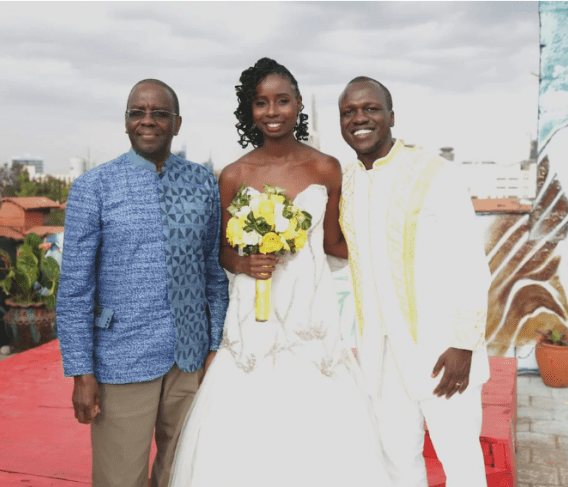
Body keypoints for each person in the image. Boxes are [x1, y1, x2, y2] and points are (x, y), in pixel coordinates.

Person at [169, 58, 391, 487]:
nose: (272, 112)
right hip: (254, 326)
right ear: (249, 110)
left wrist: (392, 253)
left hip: (312, 322)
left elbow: (332, 244)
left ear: (298, 104)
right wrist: (244, 262)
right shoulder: (233, 175)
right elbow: (221, 253)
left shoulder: (326, 168)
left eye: (282, 101)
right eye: (261, 103)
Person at [56, 79, 229, 487]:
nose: (147, 121)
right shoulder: (93, 188)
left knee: (183, 473)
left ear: (177, 123)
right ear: (127, 122)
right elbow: (74, 289)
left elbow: (212, 271)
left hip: (190, 359)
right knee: (120, 478)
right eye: (138, 112)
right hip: (121, 358)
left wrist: (215, 345)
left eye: (159, 113)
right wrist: (81, 372)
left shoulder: (203, 183)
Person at [337, 76, 492, 487]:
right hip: (380, 358)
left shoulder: (434, 173)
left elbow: (470, 262)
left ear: (391, 115)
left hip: (442, 352)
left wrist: (464, 344)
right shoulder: (348, 183)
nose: (359, 119)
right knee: (397, 463)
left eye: (370, 108)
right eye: (348, 112)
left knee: (460, 461)